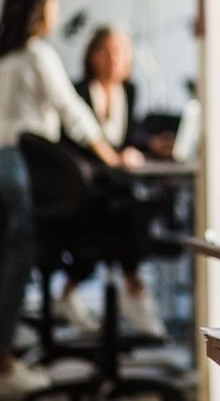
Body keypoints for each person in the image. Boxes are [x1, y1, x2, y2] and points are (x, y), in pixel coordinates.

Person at [0, 0, 137, 397]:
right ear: (37, 11)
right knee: (17, 264)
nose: (56, 16)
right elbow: (71, 109)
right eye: (53, 8)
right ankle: (5, 365)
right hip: (24, 166)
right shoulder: (38, 55)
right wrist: (108, 154)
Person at [53, 25, 167, 337]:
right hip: (82, 186)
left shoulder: (129, 92)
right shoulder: (76, 91)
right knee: (122, 218)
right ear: (92, 55)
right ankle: (136, 291)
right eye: (106, 51)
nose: (113, 59)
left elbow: (126, 138)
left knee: (125, 213)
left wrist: (146, 146)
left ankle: (74, 292)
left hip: (116, 185)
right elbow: (74, 142)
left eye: (120, 52)